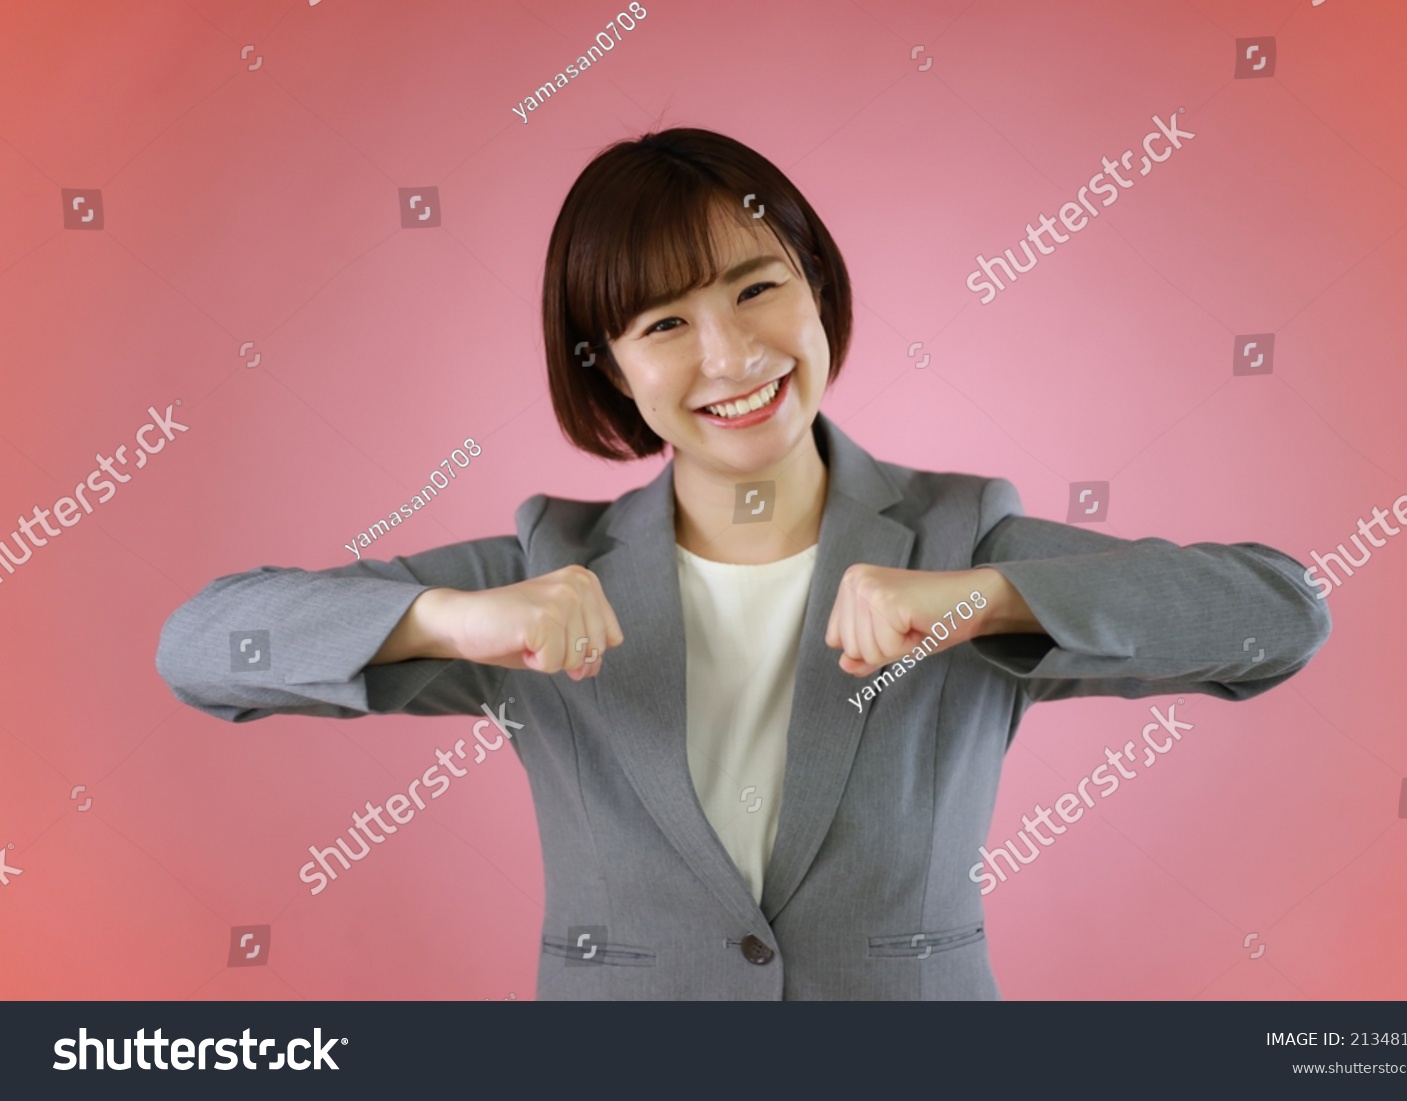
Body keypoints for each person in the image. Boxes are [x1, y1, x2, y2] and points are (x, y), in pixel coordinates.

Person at [156, 127, 1332, 1000]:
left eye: (758, 289)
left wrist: (986, 601)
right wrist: (451, 623)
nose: (729, 357)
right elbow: (203, 648)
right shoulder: (544, 564)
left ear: (816, 287)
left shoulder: (963, 535)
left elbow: (1276, 616)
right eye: (663, 324)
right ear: (611, 367)